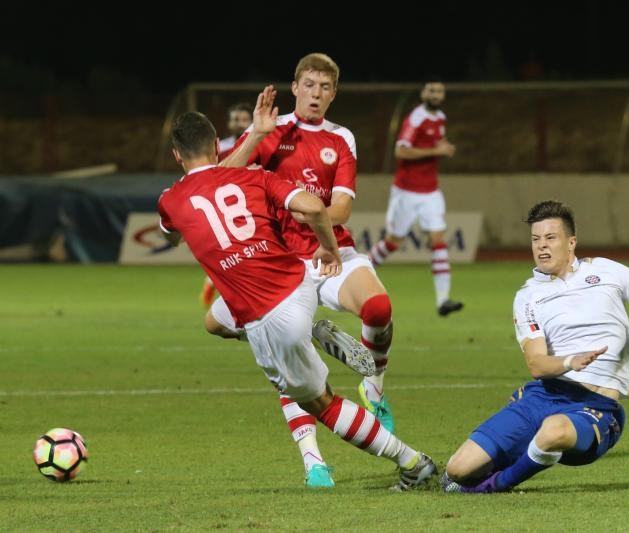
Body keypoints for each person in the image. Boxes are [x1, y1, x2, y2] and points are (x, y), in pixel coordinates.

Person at [158, 109, 436, 492]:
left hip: (270, 316)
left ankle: (412, 463)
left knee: (319, 403)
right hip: (300, 277)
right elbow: (315, 207)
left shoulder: (171, 201)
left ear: (176, 156)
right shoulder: (254, 177)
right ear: (214, 144)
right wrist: (329, 249)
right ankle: (310, 333)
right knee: (214, 322)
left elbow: (171, 235)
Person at [212, 53, 397, 488]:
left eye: (325, 87)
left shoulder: (342, 137)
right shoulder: (269, 132)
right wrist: (256, 135)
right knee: (237, 333)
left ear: (334, 93)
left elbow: (343, 207)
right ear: (295, 87)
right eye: (309, 85)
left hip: (332, 253)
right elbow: (218, 182)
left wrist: (311, 219)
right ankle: (313, 460)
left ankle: (374, 387)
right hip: (278, 263)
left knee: (378, 307)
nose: (316, 94)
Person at [439, 200, 629, 493]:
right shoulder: (528, 296)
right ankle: (499, 462)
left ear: (571, 242)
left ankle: (497, 484)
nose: (542, 246)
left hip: (596, 405)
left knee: (554, 430)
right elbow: (536, 364)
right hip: (545, 395)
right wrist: (569, 362)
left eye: (550, 238)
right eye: (536, 240)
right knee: (457, 468)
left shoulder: (607, 271)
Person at [368, 77, 463, 317]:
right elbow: (400, 150)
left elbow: (434, 145)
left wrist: (442, 148)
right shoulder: (416, 117)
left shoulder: (440, 118)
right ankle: (360, 271)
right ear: (423, 93)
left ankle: (443, 301)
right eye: (431, 89)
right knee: (393, 243)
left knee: (438, 240)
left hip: (430, 190)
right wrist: (436, 150)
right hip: (406, 192)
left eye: (440, 90)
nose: (436, 94)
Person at [199, 102, 253, 307]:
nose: (238, 123)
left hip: (256, 202)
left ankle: (215, 282)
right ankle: (220, 284)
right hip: (230, 206)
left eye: (243, 119)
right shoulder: (220, 147)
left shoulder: (262, 143)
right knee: (237, 251)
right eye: (235, 119)